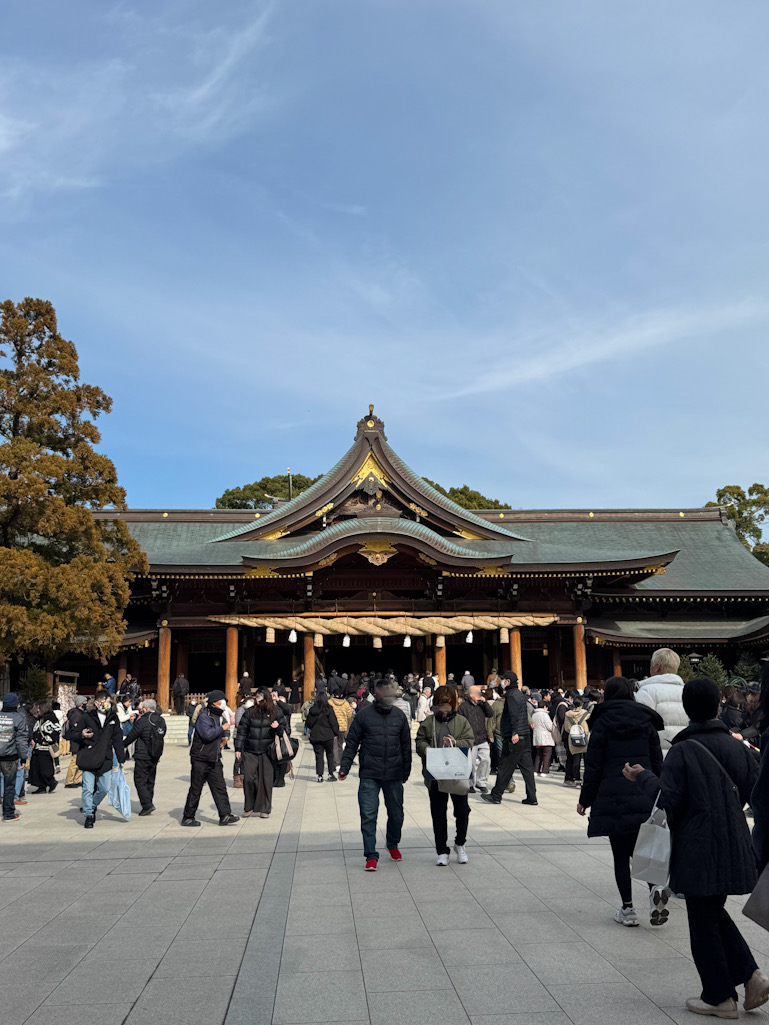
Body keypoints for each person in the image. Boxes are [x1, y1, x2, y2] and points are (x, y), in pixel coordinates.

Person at [624, 677, 768, 1018]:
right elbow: (753, 790)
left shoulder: (683, 750)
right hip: (734, 840)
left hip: (698, 845)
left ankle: (720, 996)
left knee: (703, 920)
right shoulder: (737, 747)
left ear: (688, 709)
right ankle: (751, 976)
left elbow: (667, 800)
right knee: (711, 911)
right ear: (718, 705)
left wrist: (642, 776)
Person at [576, 677, 665, 927]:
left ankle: (627, 909)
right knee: (644, 850)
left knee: (619, 854)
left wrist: (585, 800)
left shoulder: (602, 721)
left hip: (612, 795)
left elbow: (593, 766)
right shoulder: (647, 720)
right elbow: (657, 762)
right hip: (645, 793)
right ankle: (654, 890)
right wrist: (661, 792)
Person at [338, 679, 412, 871]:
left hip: (394, 773)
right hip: (370, 773)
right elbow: (352, 742)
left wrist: (406, 770)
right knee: (368, 815)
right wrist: (344, 767)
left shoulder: (399, 716)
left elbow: (406, 745)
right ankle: (371, 854)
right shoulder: (363, 715)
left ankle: (393, 843)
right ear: (375, 695)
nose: (388, 697)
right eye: (384, 694)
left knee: (396, 814)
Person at [415, 685, 474, 866]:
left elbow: (470, 741)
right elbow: (419, 740)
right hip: (435, 773)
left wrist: (456, 743)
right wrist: (424, 748)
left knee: (462, 811)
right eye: (441, 706)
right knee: (438, 813)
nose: (444, 710)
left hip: (457, 773)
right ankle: (442, 850)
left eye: (447, 706)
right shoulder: (429, 722)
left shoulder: (462, 721)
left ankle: (460, 844)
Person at [182, 689, 239, 827]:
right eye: (221, 701)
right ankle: (188, 816)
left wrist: (226, 736)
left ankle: (225, 815)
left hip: (214, 757)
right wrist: (222, 728)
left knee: (220, 787)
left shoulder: (220, 715)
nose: (224, 703)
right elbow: (207, 734)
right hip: (200, 757)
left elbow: (225, 726)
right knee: (196, 788)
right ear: (214, 703)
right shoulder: (204, 716)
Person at [70, 691, 126, 828]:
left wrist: (121, 757)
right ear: (96, 703)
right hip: (88, 756)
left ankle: (92, 805)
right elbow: (71, 733)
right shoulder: (86, 717)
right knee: (88, 788)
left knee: (104, 788)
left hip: (105, 757)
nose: (104, 704)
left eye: (106, 702)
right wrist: (81, 734)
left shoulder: (113, 718)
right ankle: (89, 815)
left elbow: (118, 738)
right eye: (101, 702)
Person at [482, 671, 537, 806]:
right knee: (528, 769)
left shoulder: (511, 696)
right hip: (525, 735)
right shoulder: (520, 694)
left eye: (504, 680)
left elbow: (513, 715)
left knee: (505, 766)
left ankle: (496, 795)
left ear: (507, 682)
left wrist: (514, 732)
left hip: (515, 736)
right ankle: (532, 797)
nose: (502, 682)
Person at [235, 687, 287, 818]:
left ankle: (265, 808)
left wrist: (278, 728)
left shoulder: (276, 712)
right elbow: (242, 730)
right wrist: (238, 748)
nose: (258, 703)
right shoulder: (249, 712)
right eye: (257, 699)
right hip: (250, 750)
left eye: (261, 700)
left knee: (266, 780)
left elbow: (286, 730)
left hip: (267, 751)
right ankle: (249, 806)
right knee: (249, 778)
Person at [635, 647, 687, 751]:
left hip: (657, 754)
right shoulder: (687, 691)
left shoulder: (646, 691)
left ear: (657, 667)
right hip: (684, 752)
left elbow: (640, 727)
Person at [123, 699, 166, 816]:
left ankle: (147, 804)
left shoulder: (142, 721)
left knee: (140, 780)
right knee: (150, 780)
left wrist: (121, 746)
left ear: (145, 709)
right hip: (155, 754)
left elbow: (132, 735)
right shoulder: (161, 720)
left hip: (143, 754)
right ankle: (148, 801)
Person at [0, 692, 30, 822]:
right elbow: (21, 740)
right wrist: (24, 757)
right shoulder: (19, 718)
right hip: (10, 756)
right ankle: (8, 814)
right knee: (9, 786)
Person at [457, 686, 493, 793]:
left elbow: (490, 714)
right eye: (477, 693)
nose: (479, 694)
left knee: (486, 760)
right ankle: (470, 784)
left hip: (482, 737)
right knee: (470, 763)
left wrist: (485, 702)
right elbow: (460, 722)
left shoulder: (482, 705)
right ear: (471, 694)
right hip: (470, 739)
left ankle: (481, 782)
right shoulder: (463, 707)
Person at [28, 701, 61, 793]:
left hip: (46, 748)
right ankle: (41, 785)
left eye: (39, 708)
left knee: (45, 768)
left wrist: (47, 740)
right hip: (37, 747)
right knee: (36, 767)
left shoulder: (51, 718)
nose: (37, 710)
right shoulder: (40, 719)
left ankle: (51, 782)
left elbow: (57, 730)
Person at [307, 692, 340, 782]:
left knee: (319, 756)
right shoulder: (329, 709)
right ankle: (330, 774)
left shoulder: (312, 710)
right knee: (330, 755)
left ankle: (320, 776)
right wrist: (336, 733)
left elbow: (308, 724)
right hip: (328, 735)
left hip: (316, 735)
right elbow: (334, 723)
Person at [563, 697, 591, 787]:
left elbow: (567, 728)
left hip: (573, 739)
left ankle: (577, 780)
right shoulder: (586, 714)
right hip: (585, 738)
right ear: (581, 704)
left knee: (576, 760)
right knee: (587, 761)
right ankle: (587, 778)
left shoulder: (568, 714)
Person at [64, 696, 88, 787]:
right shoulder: (76, 714)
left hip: (82, 740)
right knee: (74, 761)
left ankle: (76, 779)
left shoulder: (82, 713)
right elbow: (74, 728)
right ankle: (69, 781)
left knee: (81, 761)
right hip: (76, 741)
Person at [329, 688, 354, 770]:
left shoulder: (330, 702)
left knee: (334, 745)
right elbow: (349, 715)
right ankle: (340, 762)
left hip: (333, 727)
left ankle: (336, 763)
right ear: (341, 695)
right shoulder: (346, 703)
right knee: (340, 745)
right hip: (343, 727)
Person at [531, 702, 555, 776]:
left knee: (539, 754)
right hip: (546, 738)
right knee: (547, 754)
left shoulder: (534, 715)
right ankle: (545, 771)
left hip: (537, 737)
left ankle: (536, 770)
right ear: (544, 707)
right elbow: (550, 727)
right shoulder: (545, 715)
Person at [115, 693, 137, 760]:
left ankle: (131, 754)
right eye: (129, 702)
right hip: (121, 727)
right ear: (125, 701)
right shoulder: (118, 707)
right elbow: (119, 719)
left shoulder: (129, 707)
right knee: (122, 742)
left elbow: (129, 715)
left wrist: (131, 717)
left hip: (128, 726)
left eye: (130, 702)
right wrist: (128, 716)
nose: (129, 704)